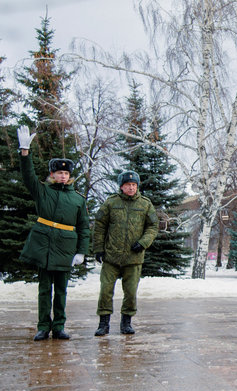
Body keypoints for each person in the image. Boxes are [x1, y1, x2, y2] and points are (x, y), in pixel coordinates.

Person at [16, 125, 90, 341]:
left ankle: (59, 326)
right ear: (53, 174)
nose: (63, 176)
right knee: (43, 289)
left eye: (66, 173)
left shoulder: (78, 199)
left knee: (61, 291)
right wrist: (24, 152)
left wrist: (81, 252)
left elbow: (84, 227)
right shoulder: (43, 191)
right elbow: (28, 176)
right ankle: (42, 326)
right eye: (59, 172)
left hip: (66, 247)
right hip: (45, 245)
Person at [93, 170, 158, 336]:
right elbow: (100, 226)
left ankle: (126, 322)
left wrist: (143, 243)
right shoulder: (111, 203)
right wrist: (99, 249)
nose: (131, 188)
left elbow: (153, 226)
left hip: (133, 257)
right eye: (128, 185)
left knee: (130, 292)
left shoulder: (145, 204)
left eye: (134, 185)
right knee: (106, 290)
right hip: (111, 256)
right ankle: (103, 323)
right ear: (121, 187)